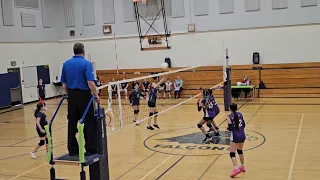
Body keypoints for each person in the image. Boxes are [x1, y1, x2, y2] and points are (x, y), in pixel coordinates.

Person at [60, 42, 100, 156]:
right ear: (83, 52)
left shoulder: (66, 64)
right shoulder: (86, 63)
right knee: (88, 122)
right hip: (84, 96)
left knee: (72, 123)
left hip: (71, 96)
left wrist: (70, 95)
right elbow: (90, 82)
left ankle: (72, 150)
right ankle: (91, 149)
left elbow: (64, 84)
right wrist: (96, 95)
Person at [227, 103, 246, 178]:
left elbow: (231, 128)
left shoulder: (229, 116)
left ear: (230, 108)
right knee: (240, 151)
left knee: (232, 153)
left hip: (235, 136)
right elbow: (243, 124)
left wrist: (228, 128)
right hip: (242, 135)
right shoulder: (240, 114)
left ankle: (236, 168)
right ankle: (243, 167)